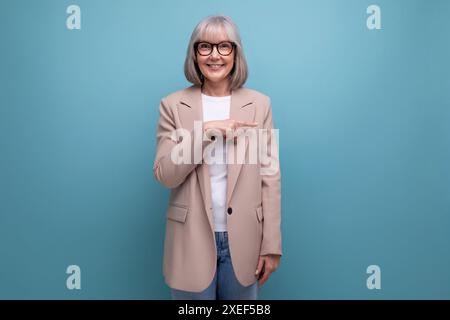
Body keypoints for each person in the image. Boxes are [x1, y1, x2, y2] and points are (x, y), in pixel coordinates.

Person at [153, 15, 282, 300]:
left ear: (235, 53)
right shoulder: (172, 105)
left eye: (224, 46)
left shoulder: (260, 104)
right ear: (194, 53)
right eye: (205, 47)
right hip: (190, 241)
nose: (215, 55)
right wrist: (208, 132)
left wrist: (271, 245)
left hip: (246, 240)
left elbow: (270, 176)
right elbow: (165, 174)